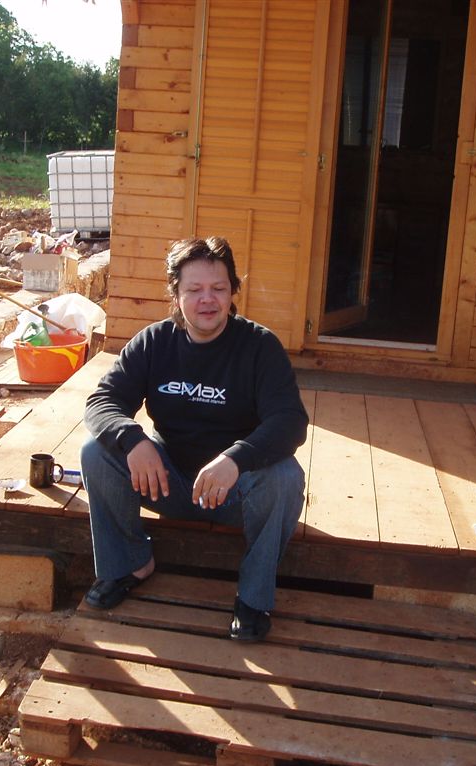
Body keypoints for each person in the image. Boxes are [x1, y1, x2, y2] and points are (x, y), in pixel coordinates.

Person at [80, 236, 309, 642]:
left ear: (233, 291)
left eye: (218, 288)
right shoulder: (153, 342)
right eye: (194, 290)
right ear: (176, 294)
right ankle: (131, 563)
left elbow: (290, 421)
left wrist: (236, 459)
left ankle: (253, 598)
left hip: (235, 493)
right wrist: (133, 440)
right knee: (97, 452)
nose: (208, 300)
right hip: (167, 483)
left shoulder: (260, 347)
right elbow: (103, 402)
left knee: (285, 477)